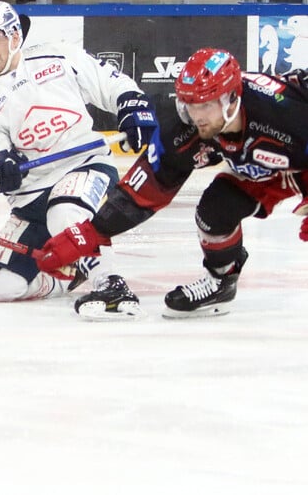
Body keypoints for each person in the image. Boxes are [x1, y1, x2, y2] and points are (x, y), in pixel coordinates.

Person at [36, 48, 308, 318]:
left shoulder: (283, 114)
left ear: (232, 98)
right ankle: (221, 282)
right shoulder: (188, 129)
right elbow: (145, 191)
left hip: (298, 159)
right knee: (214, 211)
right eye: (190, 104)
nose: (196, 115)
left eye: (205, 104)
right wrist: (89, 234)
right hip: (265, 165)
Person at [0, 0, 157, 320]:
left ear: (14, 36)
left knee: (65, 209)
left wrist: (131, 105)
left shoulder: (57, 57)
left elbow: (109, 82)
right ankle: (67, 277)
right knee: (1, 285)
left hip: (84, 164)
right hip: (33, 195)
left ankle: (109, 282)